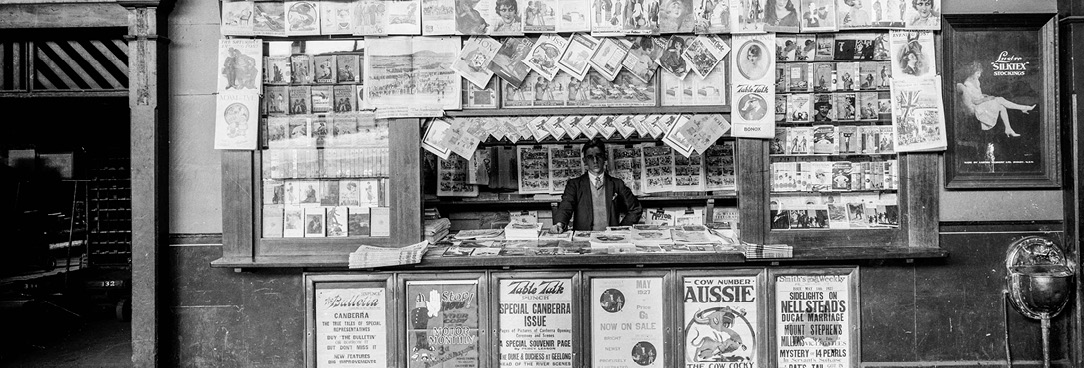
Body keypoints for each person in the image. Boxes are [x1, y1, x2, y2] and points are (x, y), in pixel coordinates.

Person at [551, 139, 642, 232]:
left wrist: (621, 229)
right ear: (585, 161)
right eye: (590, 157)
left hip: (611, 240)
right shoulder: (574, 185)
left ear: (605, 158)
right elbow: (566, 207)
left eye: (599, 156)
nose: (595, 161)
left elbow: (636, 208)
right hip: (584, 241)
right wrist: (560, 224)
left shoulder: (617, 184)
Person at [956, 61, 1035, 137]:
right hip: (978, 106)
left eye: (980, 73)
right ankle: (1024, 108)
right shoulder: (968, 84)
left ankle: (1008, 128)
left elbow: (978, 95)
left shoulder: (976, 80)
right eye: (977, 73)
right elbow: (974, 101)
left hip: (982, 101)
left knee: (1002, 106)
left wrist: (985, 96)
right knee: (1000, 100)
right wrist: (987, 99)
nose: (979, 75)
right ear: (972, 72)